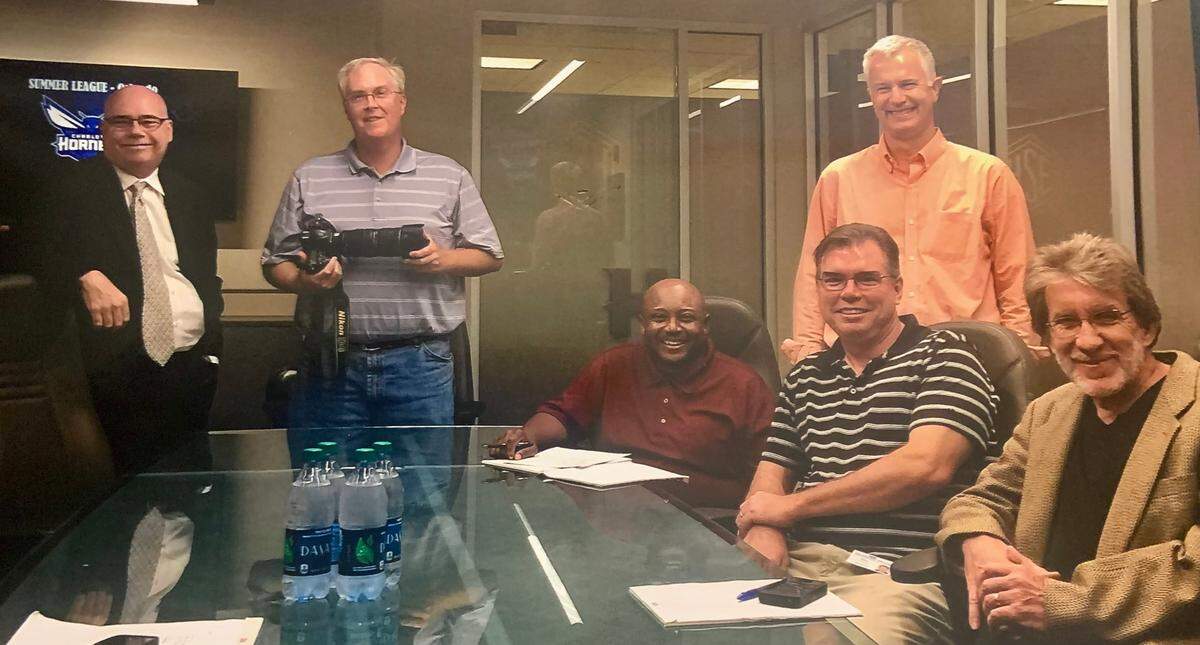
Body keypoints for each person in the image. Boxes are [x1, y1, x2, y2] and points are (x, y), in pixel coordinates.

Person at [737, 224, 998, 643]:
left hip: (895, 571)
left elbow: (923, 468)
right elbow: (773, 472)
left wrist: (788, 510)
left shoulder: (946, 355)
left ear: (897, 287)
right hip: (798, 565)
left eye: (866, 279)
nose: (849, 292)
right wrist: (765, 529)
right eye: (834, 280)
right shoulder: (805, 377)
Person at [937, 233, 1200, 642]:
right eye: (1066, 322)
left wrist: (1064, 602)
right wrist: (978, 539)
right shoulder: (1048, 412)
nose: (1087, 341)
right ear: (1045, 335)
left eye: (1107, 316)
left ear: (1147, 327)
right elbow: (982, 499)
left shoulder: (1195, 408)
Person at [261, 58, 503, 451]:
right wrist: (304, 281)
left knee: (420, 495)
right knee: (326, 490)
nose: (370, 104)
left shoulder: (448, 175)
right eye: (358, 96)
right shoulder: (310, 176)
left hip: (420, 363)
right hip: (330, 361)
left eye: (380, 92)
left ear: (401, 102)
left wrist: (441, 260)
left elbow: (490, 255)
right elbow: (275, 263)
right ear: (346, 107)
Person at [782, 34, 1039, 363]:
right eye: (883, 88)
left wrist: (1018, 356)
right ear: (871, 96)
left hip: (965, 359)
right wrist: (809, 349)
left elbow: (1016, 277)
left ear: (935, 88)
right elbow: (812, 274)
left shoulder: (988, 175)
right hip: (862, 362)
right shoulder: (839, 178)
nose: (896, 98)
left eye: (908, 84)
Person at [50, 85, 223, 475]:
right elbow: (30, 249)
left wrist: (212, 347)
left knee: (189, 491)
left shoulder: (191, 196)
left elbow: (204, 278)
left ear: (169, 130)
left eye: (149, 120)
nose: (137, 130)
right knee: (124, 500)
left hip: (192, 368)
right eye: (122, 121)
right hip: (116, 372)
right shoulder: (66, 190)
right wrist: (85, 274)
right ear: (103, 130)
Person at [491, 279, 775, 508]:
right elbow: (563, 415)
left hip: (710, 522)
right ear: (643, 324)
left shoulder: (744, 384)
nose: (672, 328)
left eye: (686, 318)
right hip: (617, 519)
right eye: (659, 318)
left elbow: (770, 472)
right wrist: (528, 436)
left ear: (706, 325)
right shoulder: (613, 365)